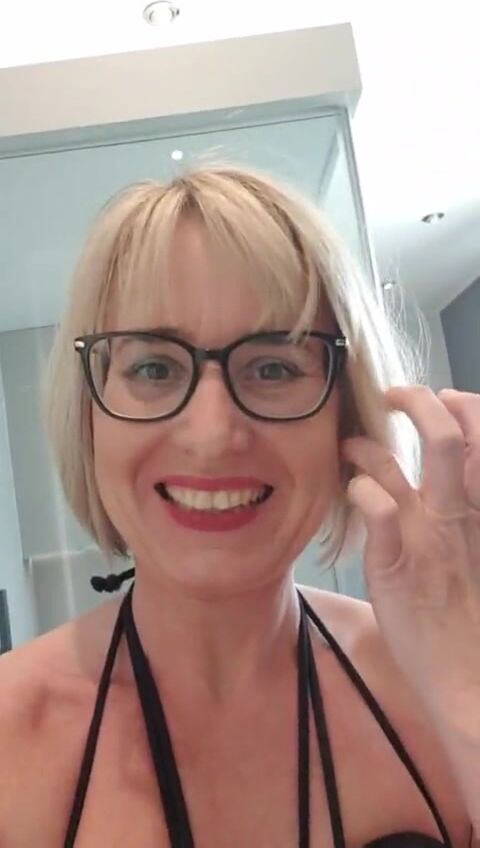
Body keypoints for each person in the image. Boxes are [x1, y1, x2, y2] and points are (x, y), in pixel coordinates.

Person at [0, 164, 478, 848]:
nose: (213, 435)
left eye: (274, 367)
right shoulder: (11, 738)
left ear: (348, 415)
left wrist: (465, 688)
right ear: (90, 416)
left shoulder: (441, 678)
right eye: (154, 367)